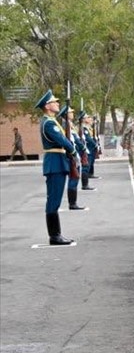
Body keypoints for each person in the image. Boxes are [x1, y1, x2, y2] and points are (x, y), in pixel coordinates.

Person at [35, 90, 77, 246]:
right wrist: (72, 150)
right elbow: (62, 140)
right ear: (47, 106)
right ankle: (54, 236)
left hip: (58, 161)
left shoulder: (52, 121)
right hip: (54, 163)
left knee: (56, 200)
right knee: (53, 200)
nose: (57, 103)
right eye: (54, 101)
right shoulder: (48, 123)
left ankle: (57, 234)